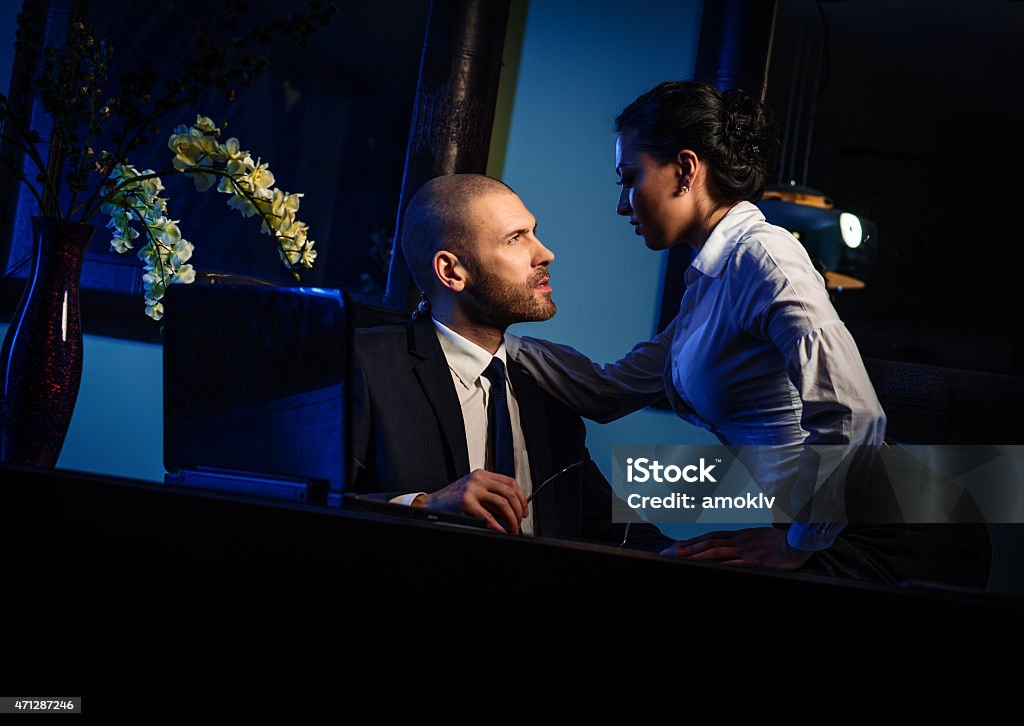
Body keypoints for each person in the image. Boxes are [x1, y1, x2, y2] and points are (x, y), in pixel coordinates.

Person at [505, 81, 989, 584]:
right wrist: (490, 342)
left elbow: (856, 412)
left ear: (686, 170)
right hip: (838, 524)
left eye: (630, 178)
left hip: (903, 528)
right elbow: (610, 391)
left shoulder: (766, 256)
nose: (623, 205)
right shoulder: (711, 278)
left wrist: (797, 542)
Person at [349, 173, 673, 551]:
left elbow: (607, 524)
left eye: (534, 232)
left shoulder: (548, 389)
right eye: (515, 238)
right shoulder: (363, 364)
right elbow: (299, 498)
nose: (545, 253)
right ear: (451, 271)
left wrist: (699, 552)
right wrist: (424, 505)